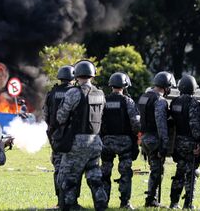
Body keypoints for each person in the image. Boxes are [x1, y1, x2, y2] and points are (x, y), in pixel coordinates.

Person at [56, 60, 107, 211]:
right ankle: (101, 202)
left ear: (76, 75)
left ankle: (70, 205)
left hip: (78, 142)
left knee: (70, 176)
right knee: (94, 175)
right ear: (92, 75)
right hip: (95, 140)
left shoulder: (73, 92)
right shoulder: (100, 93)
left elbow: (61, 117)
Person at [100, 72, 140, 209]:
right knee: (125, 173)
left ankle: (103, 202)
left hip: (106, 142)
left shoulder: (104, 100)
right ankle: (125, 203)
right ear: (125, 85)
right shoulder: (128, 101)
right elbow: (135, 123)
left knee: (105, 173)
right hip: (125, 143)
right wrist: (134, 137)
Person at [139, 71, 175, 207]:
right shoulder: (160, 101)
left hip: (145, 138)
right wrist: (164, 145)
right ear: (166, 86)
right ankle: (151, 200)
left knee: (154, 168)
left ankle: (151, 199)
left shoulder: (144, 96)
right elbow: (161, 125)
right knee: (157, 170)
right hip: (155, 139)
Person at [43, 65, 76, 208]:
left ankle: (60, 201)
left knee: (58, 169)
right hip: (72, 136)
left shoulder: (51, 93)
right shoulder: (76, 92)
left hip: (56, 136)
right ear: (73, 78)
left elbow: (45, 116)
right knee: (73, 170)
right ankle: (72, 201)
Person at [169, 74, 200, 209]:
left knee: (179, 172)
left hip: (178, 141)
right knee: (191, 174)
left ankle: (174, 202)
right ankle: (188, 203)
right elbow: (194, 125)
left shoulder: (175, 102)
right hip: (190, 142)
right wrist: (199, 142)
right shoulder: (194, 103)